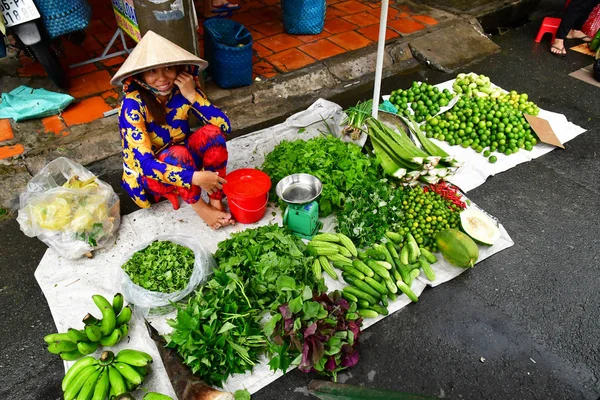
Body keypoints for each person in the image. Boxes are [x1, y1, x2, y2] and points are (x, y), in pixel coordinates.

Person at [110, 31, 235, 230]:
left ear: (178, 69)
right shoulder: (133, 105)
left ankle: (216, 200)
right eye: (152, 71)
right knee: (178, 153)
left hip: (183, 159)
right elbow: (145, 164)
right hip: (150, 177)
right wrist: (195, 178)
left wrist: (193, 95)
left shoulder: (183, 88)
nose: (162, 78)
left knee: (212, 134)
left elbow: (224, 127)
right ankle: (201, 208)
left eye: (168, 68)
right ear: (140, 76)